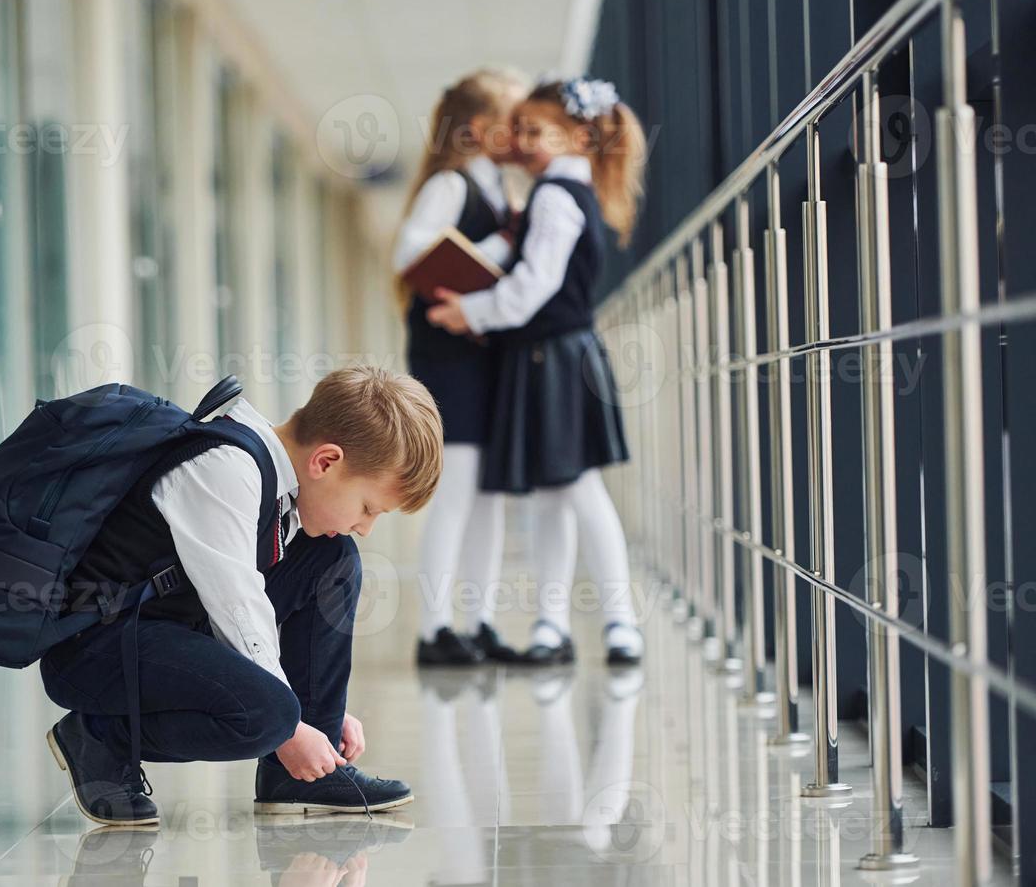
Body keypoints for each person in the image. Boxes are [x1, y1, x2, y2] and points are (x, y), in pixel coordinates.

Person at [41, 366, 444, 825]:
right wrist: (291, 725)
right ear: (326, 462)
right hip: (97, 650)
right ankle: (99, 735)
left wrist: (316, 724)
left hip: (167, 629)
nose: (366, 526)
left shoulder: (279, 487)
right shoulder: (225, 469)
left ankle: (303, 776)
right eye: (368, 508)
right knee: (268, 714)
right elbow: (238, 608)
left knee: (332, 560)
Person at [427, 77, 648, 665]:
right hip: (553, 356)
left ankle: (621, 622)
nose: (521, 141)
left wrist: (466, 311)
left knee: (576, 489)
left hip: (553, 356)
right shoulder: (565, 191)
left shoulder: (555, 196)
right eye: (518, 128)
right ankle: (555, 624)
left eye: (534, 131)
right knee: (556, 493)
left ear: (577, 136)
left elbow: (532, 288)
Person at [393, 67, 529, 666]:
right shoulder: (450, 185)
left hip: (485, 356)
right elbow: (409, 253)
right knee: (454, 492)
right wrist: (501, 246)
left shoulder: (499, 188)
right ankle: (435, 630)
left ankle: (477, 622)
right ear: (480, 129)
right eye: (512, 119)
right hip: (449, 359)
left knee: (486, 495)